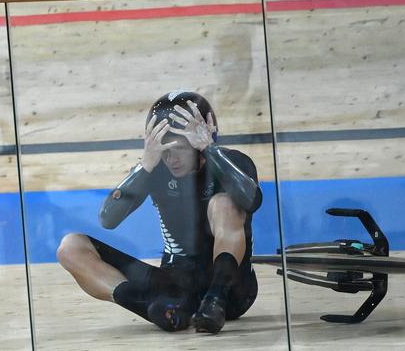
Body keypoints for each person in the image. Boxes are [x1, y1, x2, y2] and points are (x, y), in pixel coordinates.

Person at [56, 91, 262, 333]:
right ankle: (154, 309)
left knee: (224, 203)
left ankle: (214, 300)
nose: (171, 159)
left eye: (179, 148)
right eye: (164, 150)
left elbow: (252, 200)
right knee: (71, 246)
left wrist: (211, 149)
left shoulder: (233, 161)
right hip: (177, 286)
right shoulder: (155, 168)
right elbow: (108, 219)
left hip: (233, 292)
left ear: (201, 141)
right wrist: (145, 166)